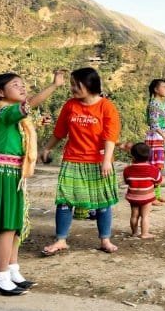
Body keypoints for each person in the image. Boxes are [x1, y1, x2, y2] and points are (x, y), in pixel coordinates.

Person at [0, 70, 67, 295]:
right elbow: (30, 104)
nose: (22, 88)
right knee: (8, 225)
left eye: (23, 84)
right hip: (4, 172)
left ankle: (11, 271)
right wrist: (54, 85)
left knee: (14, 225)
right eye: (15, 85)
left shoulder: (5, 114)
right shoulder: (4, 111)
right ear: (0, 92)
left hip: (11, 172)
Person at [39, 67, 122, 256]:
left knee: (103, 202)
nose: (73, 89)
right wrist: (47, 148)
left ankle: (105, 240)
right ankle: (61, 240)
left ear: (89, 85)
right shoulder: (70, 105)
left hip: (98, 160)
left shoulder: (106, 107)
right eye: (72, 85)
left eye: (76, 85)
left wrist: (106, 160)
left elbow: (110, 136)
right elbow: (60, 132)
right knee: (65, 201)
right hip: (72, 159)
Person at [123, 142, 163, 239]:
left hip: (133, 196)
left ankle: (134, 233)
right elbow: (158, 181)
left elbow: (127, 181)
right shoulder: (153, 169)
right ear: (149, 155)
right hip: (147, 196)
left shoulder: (128, 169)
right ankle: (144, 233)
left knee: (134, 215)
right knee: (145, 216)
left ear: (132, 155)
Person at [145, 79, 165, 205]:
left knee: (158, 166)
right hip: (156, 137)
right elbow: (154, 124)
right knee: (154, 166)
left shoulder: (160, 103)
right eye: (164, 87)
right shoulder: (154, 104)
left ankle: (156, 195)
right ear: (156, 89)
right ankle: (151, 196)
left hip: (161, 136)